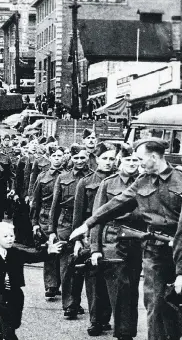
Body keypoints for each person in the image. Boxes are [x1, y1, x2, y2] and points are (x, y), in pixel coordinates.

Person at [70, 137, 182, 340]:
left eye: (140, 158)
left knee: (179, 306)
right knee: (154, 304)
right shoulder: (142, 181)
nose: (138, 163)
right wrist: (88, 224)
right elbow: (116, 203)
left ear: (154, 156)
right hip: (155, 251)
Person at [0, 221, 62, 340]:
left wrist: (48, 252)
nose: (9, 239)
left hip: (16, 292)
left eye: (11, 236)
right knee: (8, 326)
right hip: (0, 293)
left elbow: (34, 257)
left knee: (15, 322)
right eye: (5, 236)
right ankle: (4, 331)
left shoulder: (17, 253)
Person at [90, 144, 144, 340]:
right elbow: (98, 216)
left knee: (131, 287)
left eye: (135, 160)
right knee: (120, 286)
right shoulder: (108, 183)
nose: (131, 163)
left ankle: (121, 327)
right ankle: (123, 333)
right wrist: (95, 248)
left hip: (137, 240)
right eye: (128, 160)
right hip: (112, 239)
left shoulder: (146, 182)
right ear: (120, 162)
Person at [72, 141, 117, 336]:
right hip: (92, 233)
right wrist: (78, 239)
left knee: (111, 278)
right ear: (96, 159)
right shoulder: (86, 182)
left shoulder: (120, 180)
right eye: (105, 158)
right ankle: (96, 319)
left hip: (113, 235)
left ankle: (105, 317)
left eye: (112, 159)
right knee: (94, 278)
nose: (108, 162)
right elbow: (79, 213)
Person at [48, 144, 92, 319]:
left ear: (87, 157)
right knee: (67, 266)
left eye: (82, 157)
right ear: (71, 159)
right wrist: (52, 230)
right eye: (76, 158)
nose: (79, 161)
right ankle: (70, 304)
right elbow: (55, 205)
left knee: (87, 266)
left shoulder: (93, 177)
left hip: (87, 224)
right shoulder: (63, 177)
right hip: (66, 225)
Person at [30, 146, 65, 300]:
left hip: (62, 219)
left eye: (60, 156)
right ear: (50, 158)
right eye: (55, 156)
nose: (57, 158)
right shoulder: (42, 177)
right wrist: (34, 223)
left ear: (64, 158)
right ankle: (51, 285)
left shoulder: (67, 176)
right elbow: (35, 201)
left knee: (63, 252)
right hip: (45, 218)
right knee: (50, 251)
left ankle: (60, 284)